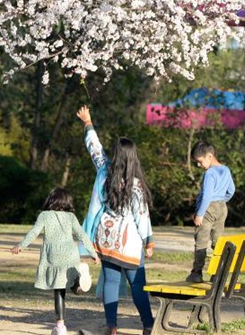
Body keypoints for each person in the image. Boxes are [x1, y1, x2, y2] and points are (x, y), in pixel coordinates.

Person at [76, 106, 155, 335]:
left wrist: (88, 122)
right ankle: (148, 324)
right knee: (137, 284)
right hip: (129, 243)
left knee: (110, 281)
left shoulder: (104, 171)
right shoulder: (135, 185)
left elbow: (95, 149)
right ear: (133, 158)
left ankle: (111, 326)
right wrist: (148, 242)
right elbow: (142, 217)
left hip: (106, 238)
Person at [12, 187, 99, 335]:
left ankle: (60, 328)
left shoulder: (44, 215)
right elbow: (82, 235)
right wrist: (93, 253)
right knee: (70, 283)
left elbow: (34, 232)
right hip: (70, 255)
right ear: (67, 201)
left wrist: (21, 246)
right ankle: (79, 280)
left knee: (59, 292)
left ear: (51, 200)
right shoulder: (71, 217)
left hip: (54, 257)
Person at [186, 140, 236, 283]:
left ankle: (196, 273)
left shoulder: (210, 173)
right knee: (218, 242)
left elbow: (207, 195)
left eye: (200, 161)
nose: (198, 165)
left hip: (207, 209)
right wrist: (221, 201)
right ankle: (218, 273)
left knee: (201, 241)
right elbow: (231, 190)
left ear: (209, 156)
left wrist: (200, 214)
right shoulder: (226, 170)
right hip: (221, 208)